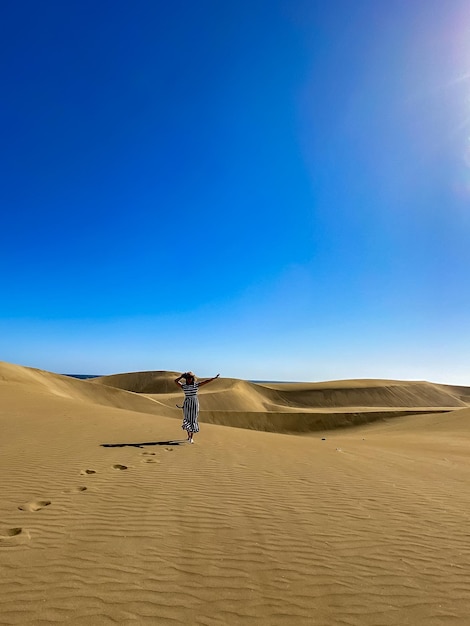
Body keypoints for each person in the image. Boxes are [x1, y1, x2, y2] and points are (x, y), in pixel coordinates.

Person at [174, 371, 219, 443]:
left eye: (191, 378)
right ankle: (188, 436)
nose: (189, 379)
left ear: (193, 378)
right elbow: (175, 381)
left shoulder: (196, 385)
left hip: (194, 403)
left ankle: (191, 437)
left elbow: (206, 382)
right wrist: (182, 376)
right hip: (187, 404)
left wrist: (213, 378)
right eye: (188, 378)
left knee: (193, 419)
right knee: (187, 419)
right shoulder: (184, 386)